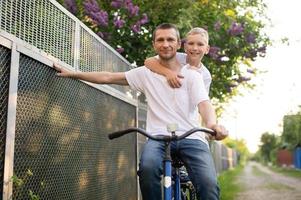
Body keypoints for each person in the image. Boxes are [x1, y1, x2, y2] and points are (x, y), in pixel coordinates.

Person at [53, 23, 228, 200]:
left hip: (191, 137)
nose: (165, 44)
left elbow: (204, 104)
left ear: (177, 45)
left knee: (208, 184)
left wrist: (212, 124)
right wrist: (73, 74)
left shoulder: (194, 74)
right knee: (147, 169)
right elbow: (108, 77)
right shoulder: (145, 73)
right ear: (154, 45)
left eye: (170, 40)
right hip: (158, 137)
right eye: (160, 40)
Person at [144, 27, 212, 92]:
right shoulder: (176, 57)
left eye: (200, 44)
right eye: (191, 43)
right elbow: (148, 62)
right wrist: (168, 73)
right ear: (185, 47)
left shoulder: (205, 75)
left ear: (207, 49)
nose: (195, 48)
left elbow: (200, 100)